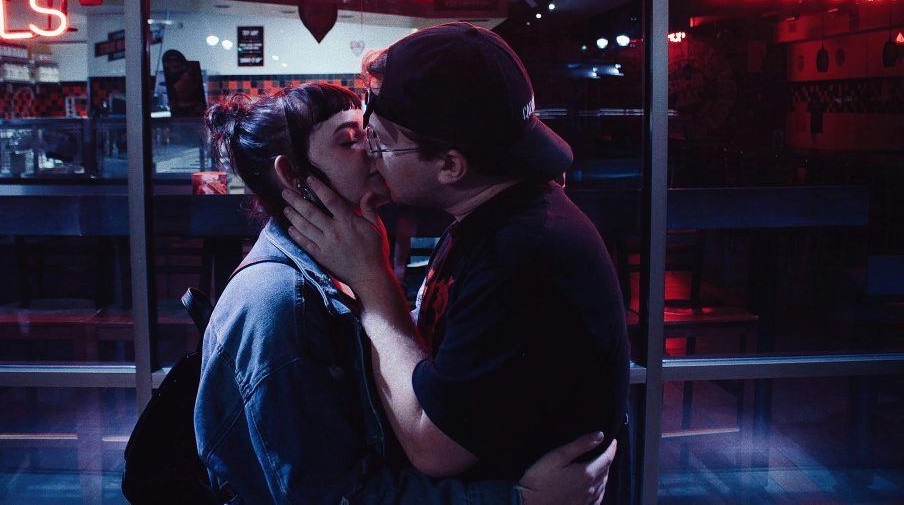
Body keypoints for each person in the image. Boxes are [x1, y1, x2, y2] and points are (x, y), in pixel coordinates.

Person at [196, 82, 616, 504]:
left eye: (370, 133)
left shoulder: (342, 260)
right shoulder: (277, 299)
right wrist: (517, 500)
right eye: (351, 140)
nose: (373, 150)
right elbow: (332, 495)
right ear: (292, 175)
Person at [282, 24, 630, 496]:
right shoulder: (497, 213)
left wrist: (371, 279)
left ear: (450, 165)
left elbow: (433, 446)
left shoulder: (523, 255)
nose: (370, 154)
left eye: (380, 140)